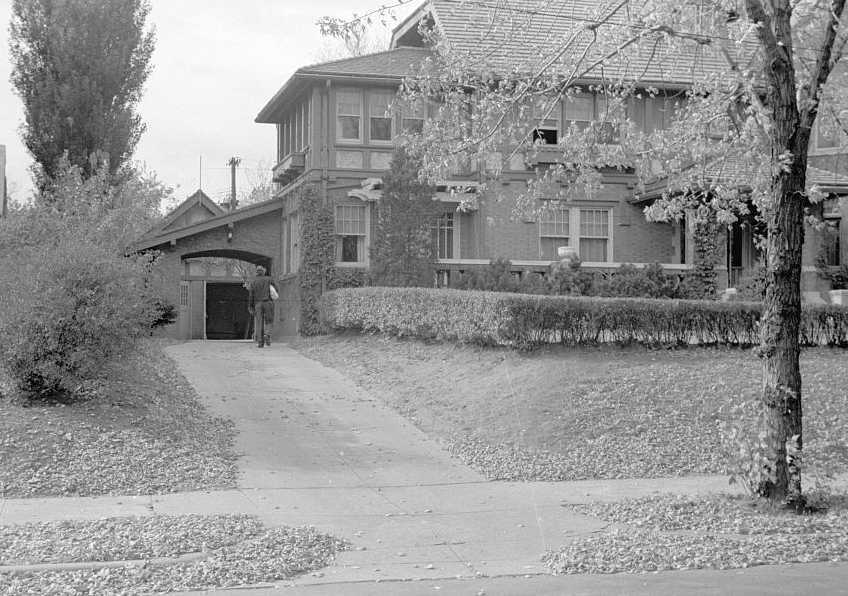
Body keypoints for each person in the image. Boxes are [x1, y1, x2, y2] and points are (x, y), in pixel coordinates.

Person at [247, 265, 277, 348]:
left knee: (259, 322)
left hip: (258, 304)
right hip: (268, 302)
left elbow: (251, 295)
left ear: (256, 272)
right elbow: (275, 290)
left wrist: (250, 306)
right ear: (263, 272)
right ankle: (267, 334)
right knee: (269, 320)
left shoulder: (253, 282)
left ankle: (260, 343)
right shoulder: (269, 279)